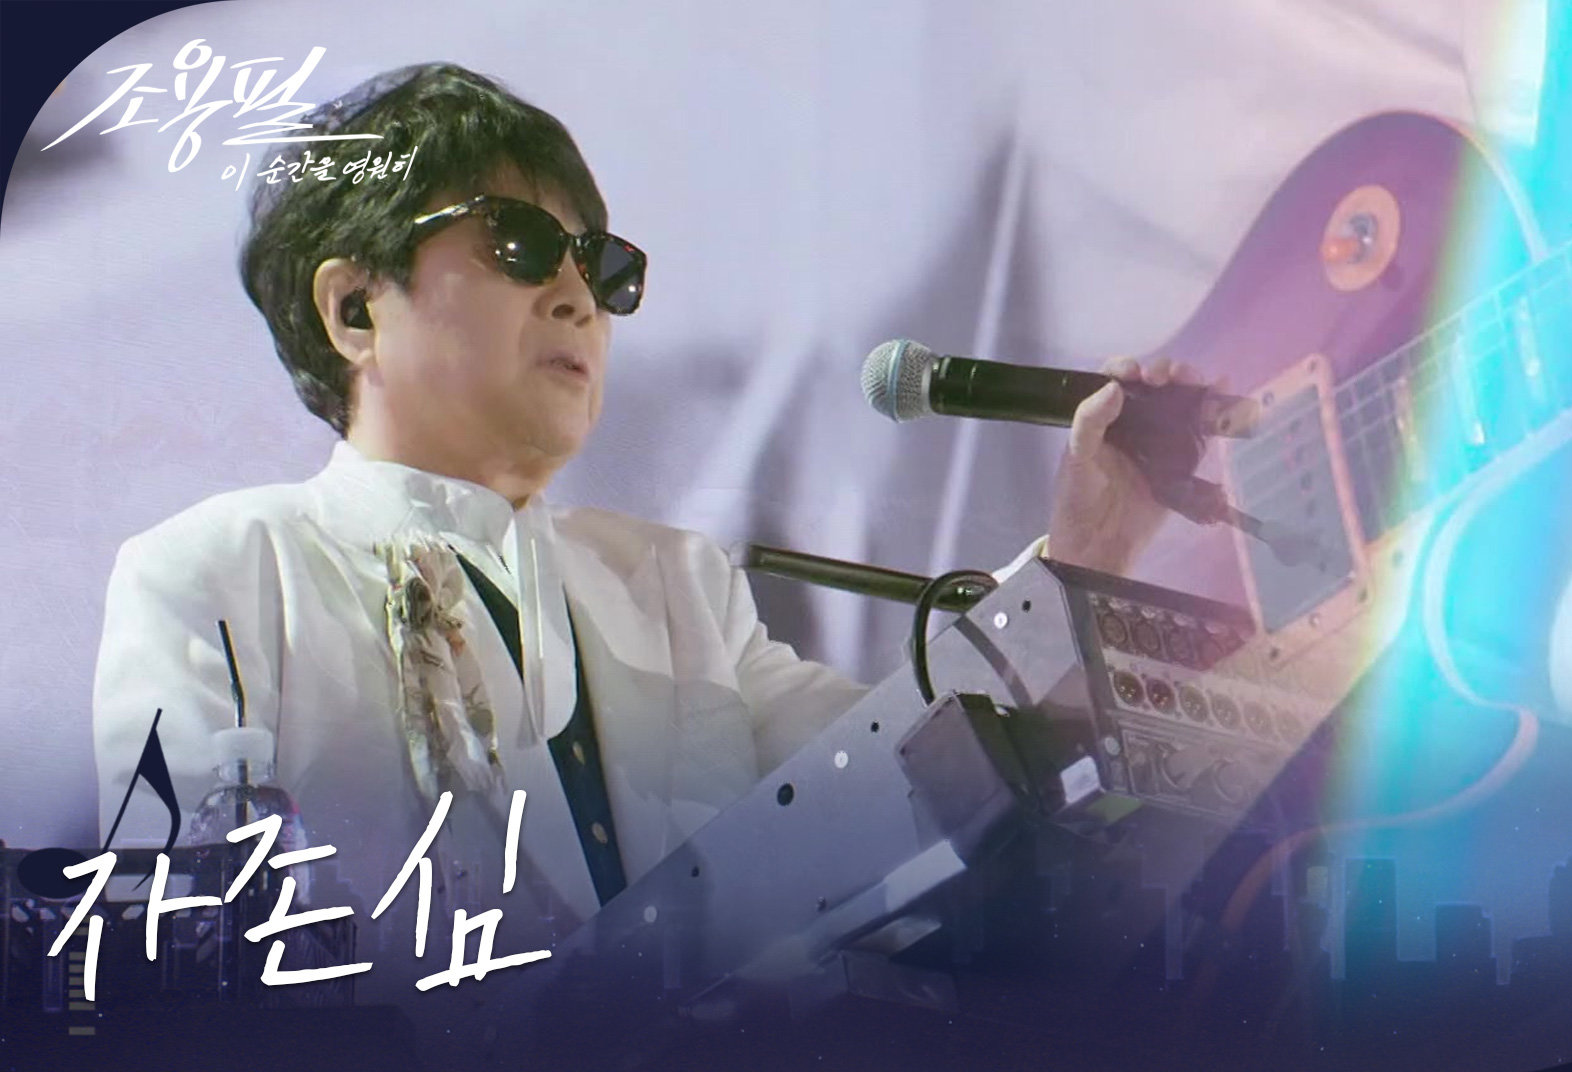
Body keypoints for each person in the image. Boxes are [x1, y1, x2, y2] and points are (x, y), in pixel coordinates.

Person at [89, 63, 1190, 994]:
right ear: (354, 309)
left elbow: (913, 769)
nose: (579, 296)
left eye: (604, 267)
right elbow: (173, 964)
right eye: (523, 243)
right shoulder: (219, 578)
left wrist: (1086, 555)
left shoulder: (677, 586)